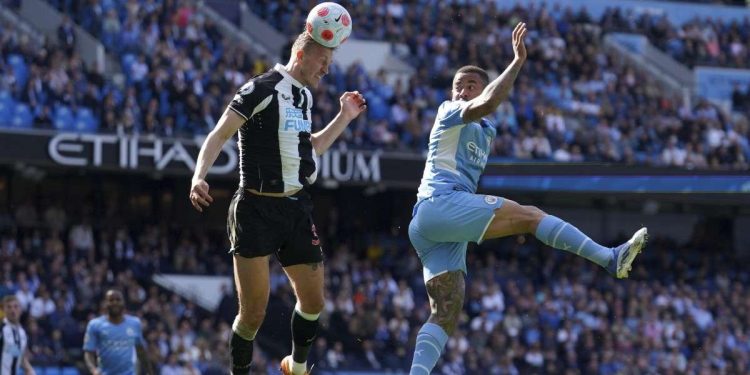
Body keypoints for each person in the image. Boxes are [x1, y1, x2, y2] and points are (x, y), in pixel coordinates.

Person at [407, 22, 647, 374]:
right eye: (458, 86)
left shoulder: (487, 131)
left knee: (445, 312)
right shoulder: (449, 112)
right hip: (439, 204)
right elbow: (488, 101)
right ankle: (609, 258)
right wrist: (517, 62)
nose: (462, 91)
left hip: (433, 226)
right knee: (532, 216)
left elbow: (488, 104)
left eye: (470, 85)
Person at [188, 31, 367, 375]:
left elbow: (308, 149)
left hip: (295, 208)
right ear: (301, 55)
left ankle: (296, 367)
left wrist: (344, 116)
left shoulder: (303, 97)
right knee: (253, 313)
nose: (327, 70)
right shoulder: (260, 88)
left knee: (314, 302)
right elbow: (220, 133)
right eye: (323, 62)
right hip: (255, 210)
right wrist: (199, 176)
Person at [83, 289, 153, 375]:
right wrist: (93, 370)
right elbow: (88, 352)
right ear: (105, 303)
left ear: (123, 303)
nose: (115, 302)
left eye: (118, 300)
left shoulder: (135, 323)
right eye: (111, 300)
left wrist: (149, 372)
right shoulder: (95, 325)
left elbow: (140, 351)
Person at [0, 295, 35, 375]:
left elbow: (15, 352)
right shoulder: (1, 329)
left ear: (20, 309)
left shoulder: (22, 332)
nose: (12, 310)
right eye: (9, 307)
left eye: (15, 307)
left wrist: (28, 368)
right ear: (4, 310)